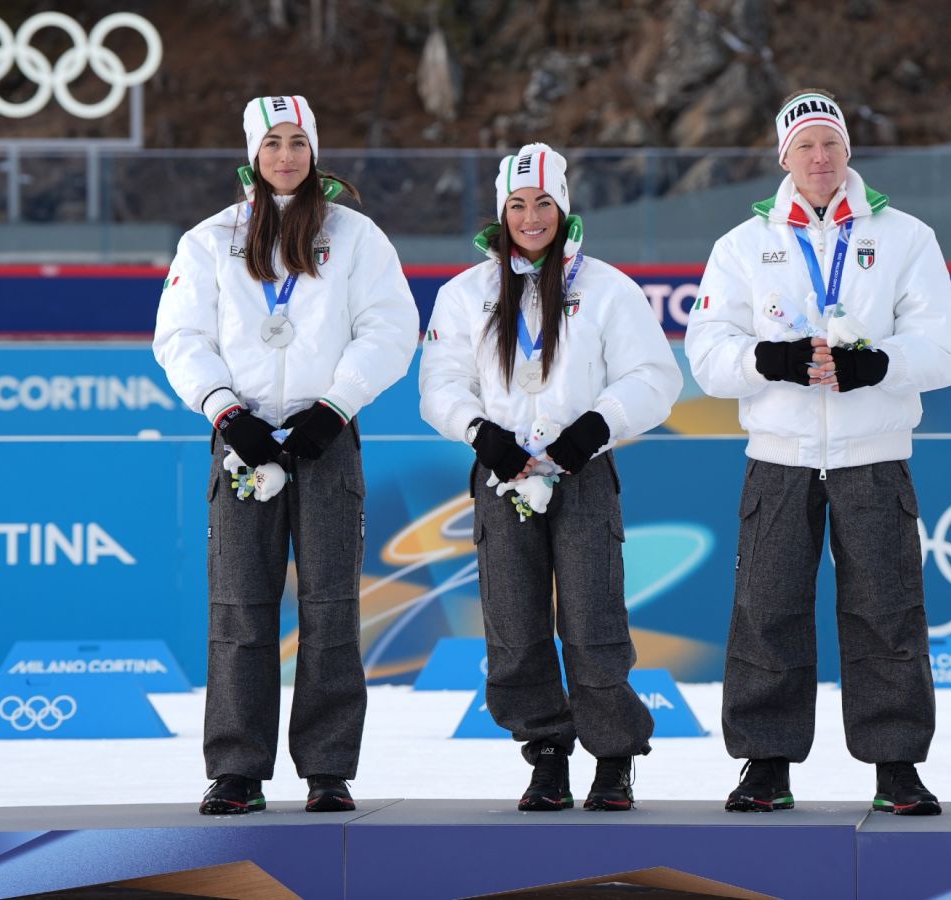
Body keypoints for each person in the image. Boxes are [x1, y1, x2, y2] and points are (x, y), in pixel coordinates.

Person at [685, 90, 951, 816]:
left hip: (874, 452)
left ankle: (897, 766)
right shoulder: (742, 246)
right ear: (784, 157)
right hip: (780, 455)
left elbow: (945, 350)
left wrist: (878, 364)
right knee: (767, 608)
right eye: (805, 146)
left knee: (888, 610)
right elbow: (707, 356)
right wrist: (769, 360)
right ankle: (766, 764)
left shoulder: (905, 237)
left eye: (831, 144)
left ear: (849, 151)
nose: (820, 158)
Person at [153, 95, 419, 815]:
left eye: (298, 141)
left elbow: (390, 328)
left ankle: (327, 768)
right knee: (240, 607)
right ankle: (237, 769)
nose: (286, 155)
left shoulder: (355, 236)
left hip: (324, 438)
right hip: (243, 442)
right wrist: (225, 410)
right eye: (272, 142)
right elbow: (180, 337)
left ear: (314, 150)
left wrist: (336, 406)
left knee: (331, 609)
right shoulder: (210, 239)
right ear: (252, 153)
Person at [419, 142, 682, 812]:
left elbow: (654, 377)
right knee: (514, 624)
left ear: (564, 209)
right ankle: (545, 754)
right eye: (517, 204)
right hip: (502, 475)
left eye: (542, 203)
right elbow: (440, 385)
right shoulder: (465, 294)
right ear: (500, 212)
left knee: (594, 623)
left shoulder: (608, 288)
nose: (530, 217)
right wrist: (481, 434)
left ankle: (614, 758)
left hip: (582, 473)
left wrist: (594, 428)